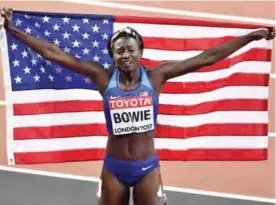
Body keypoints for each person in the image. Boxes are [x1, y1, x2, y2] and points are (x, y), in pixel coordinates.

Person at [1, 7, 275, 205]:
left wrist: (251, 37)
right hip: (113, 168)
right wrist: (13, 29)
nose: (126, 55)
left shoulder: (156, 76)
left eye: (131, 49)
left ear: (140, 52)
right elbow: (54, 53)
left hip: (146, 168)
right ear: (113, 56)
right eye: (120, 50)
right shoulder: (103, 77)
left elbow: (208, 57)